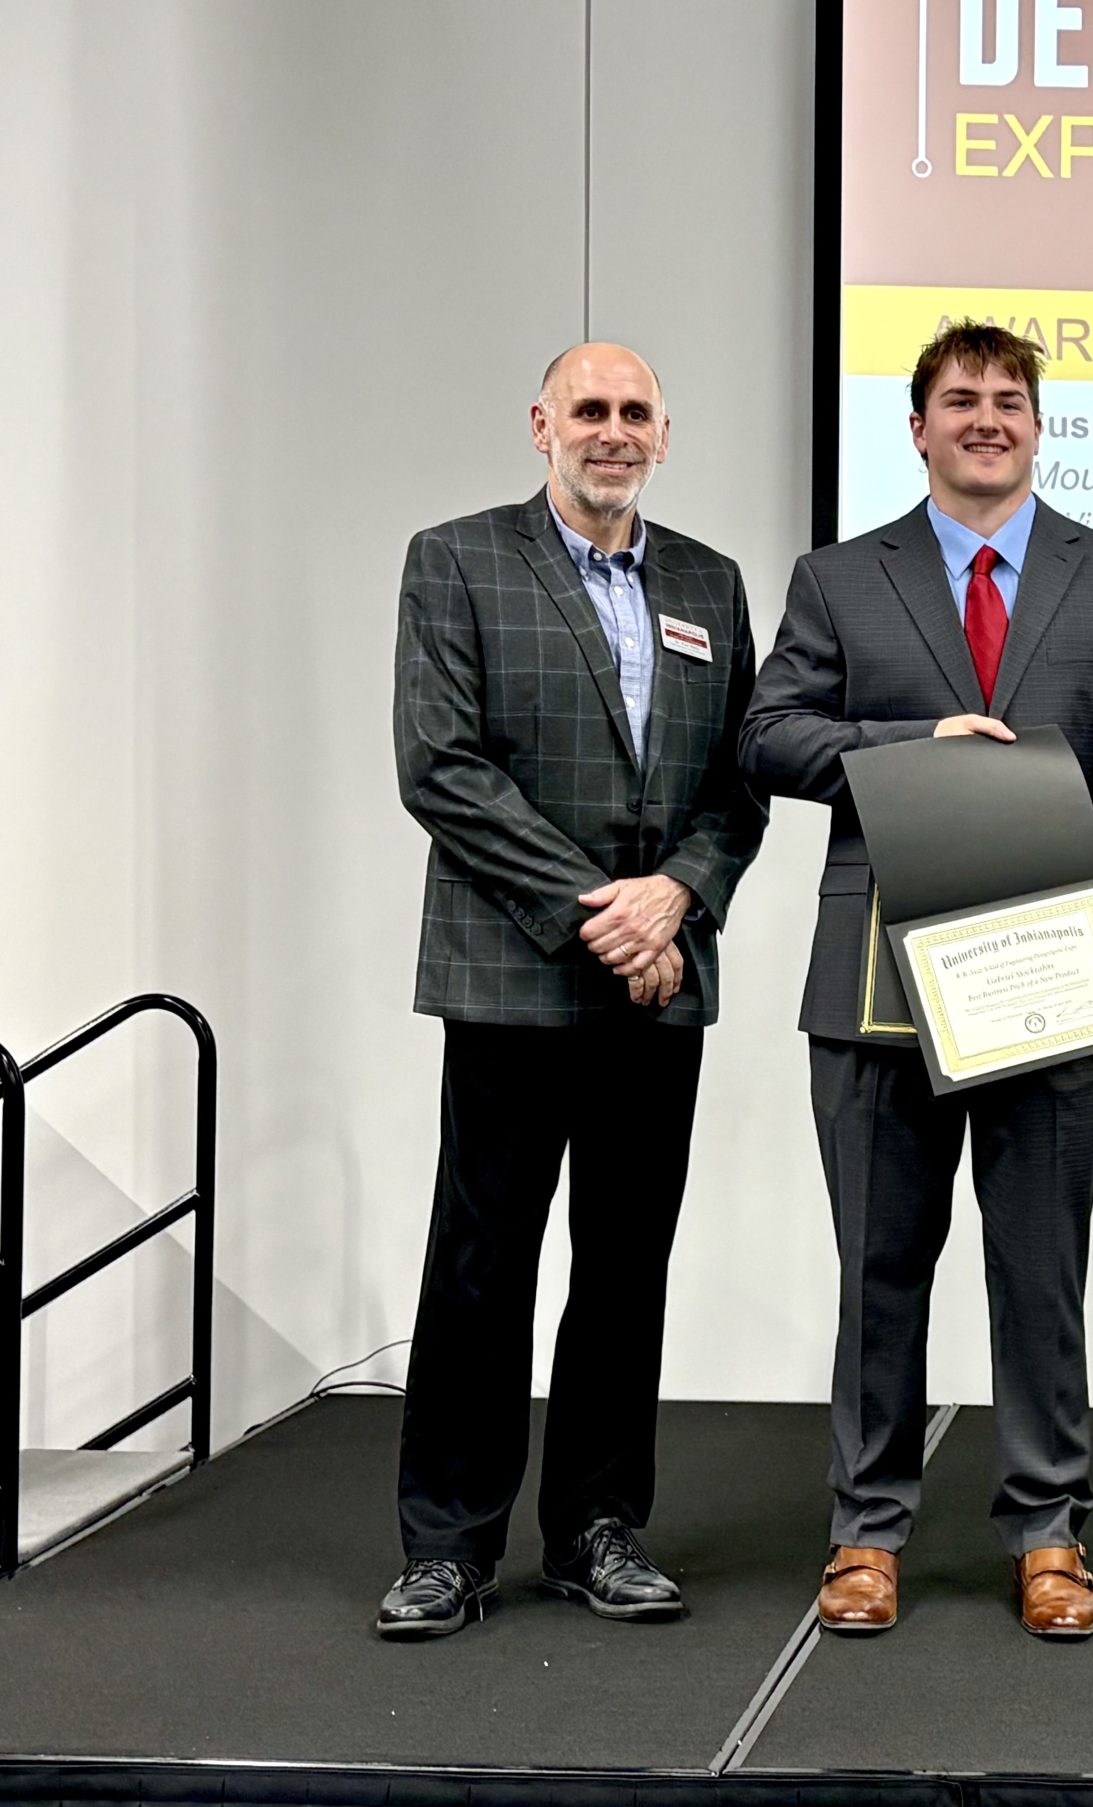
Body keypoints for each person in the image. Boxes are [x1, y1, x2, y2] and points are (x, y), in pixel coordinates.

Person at [738, 324, 1093, 1641]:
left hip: (1053, 966)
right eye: (960, 400)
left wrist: (1078, 864)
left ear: (1038, 426)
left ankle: (1049, 1531)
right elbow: (770, 733)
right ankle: (867, 1531)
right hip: (880, 967)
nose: (985, 418)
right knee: (880, 1264)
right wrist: (910, 744)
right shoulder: (840, 578)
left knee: (1040, 1266)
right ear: (919, 426)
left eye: (1008, 401)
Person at [380, 343, 768, 1638]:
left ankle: (599, 1531)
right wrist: (601, 912)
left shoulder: (708, 580)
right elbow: (443, 769)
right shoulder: (458, 560)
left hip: (659, 983)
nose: (612, 432)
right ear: (542, 424)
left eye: (635, 414)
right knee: (481, 1267)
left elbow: (737, 786)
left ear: (667, 436)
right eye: (589, 410)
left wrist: (678, 897)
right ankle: (446, 1545)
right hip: (512, 975)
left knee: (623, 1268)